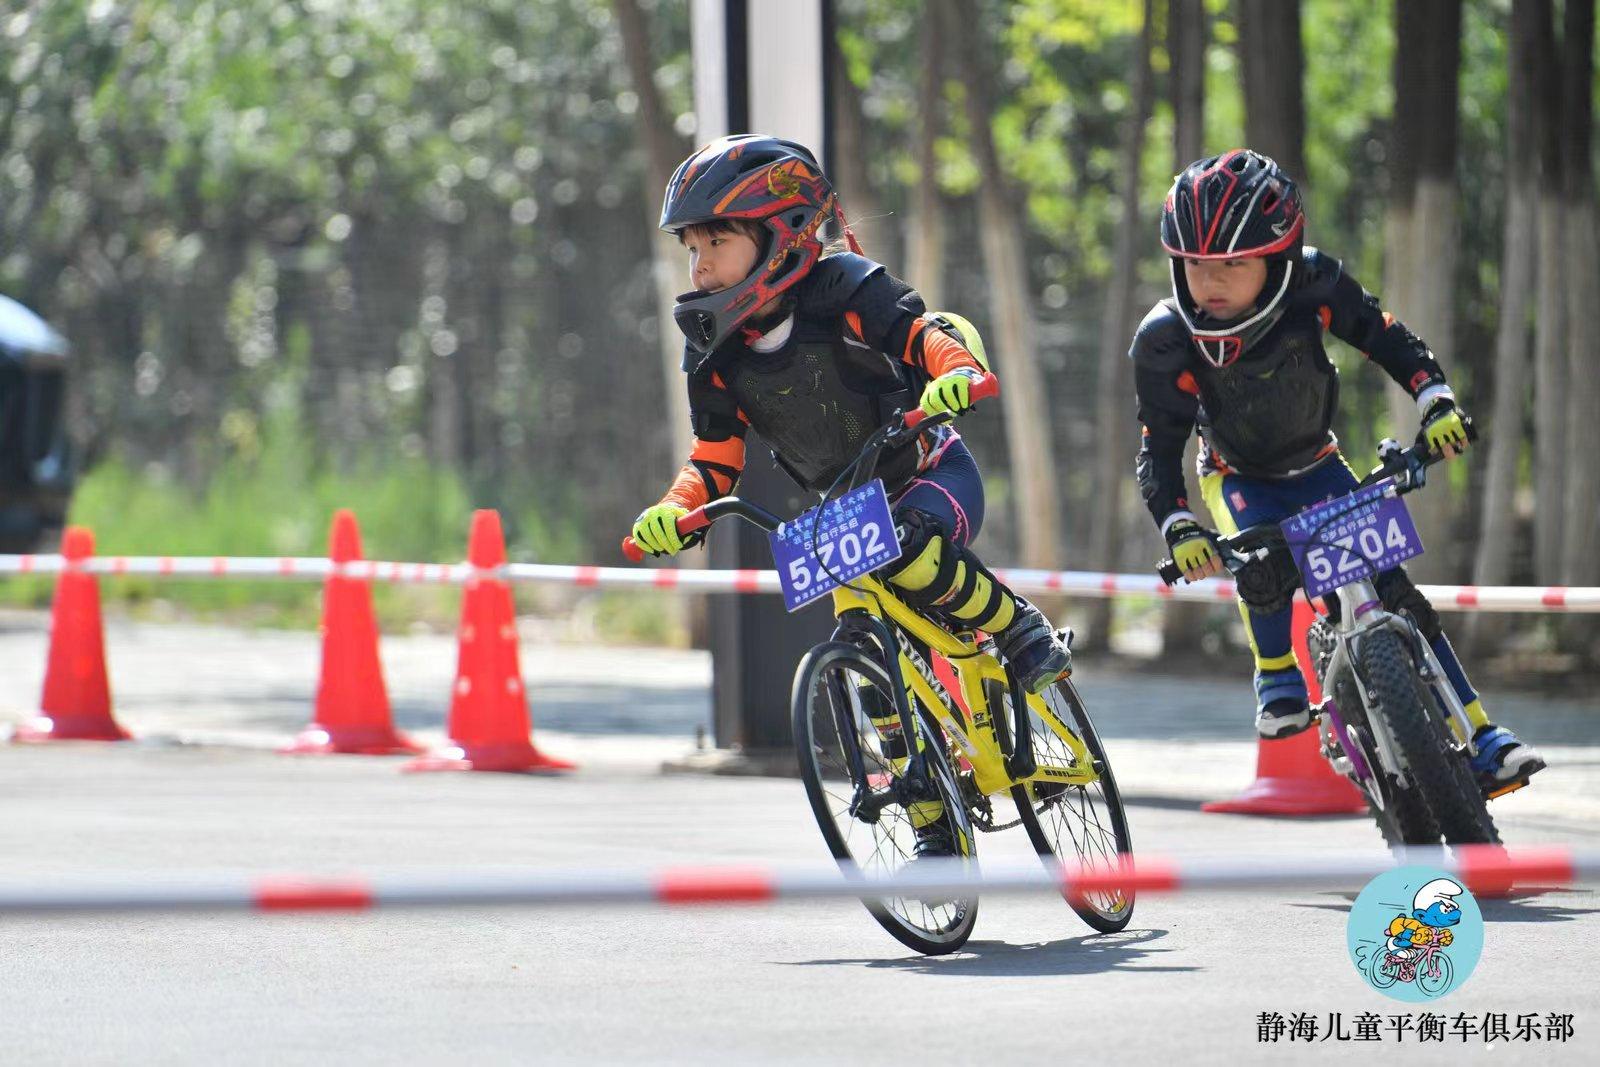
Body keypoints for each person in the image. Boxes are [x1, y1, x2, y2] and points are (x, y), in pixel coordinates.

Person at [630, 135, 1071, 854]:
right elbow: (714, 458)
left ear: (783, 235)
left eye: (717, 240)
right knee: (867, 670)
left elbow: (926, 337)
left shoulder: (846, 289)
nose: (699, 263)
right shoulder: (711, 345)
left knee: (916, 550)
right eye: (690, 246)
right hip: (843, 513)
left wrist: (955, 368)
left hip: (930, 473)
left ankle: (1019, 626)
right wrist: (676, 509)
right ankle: (936, 835)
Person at [1130, 149, 1543, 795]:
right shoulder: (1163, 339)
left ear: (1278, 257)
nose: (1210, 279)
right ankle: (1277, 675)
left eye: (1232, 263)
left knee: (1395, 590)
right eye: (1196, 263)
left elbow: (1385, 335)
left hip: (1319, 463)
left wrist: (1435, 400)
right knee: (1264, 568)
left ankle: (1484, 735)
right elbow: (1159, 447)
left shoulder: (1314, 285)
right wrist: (1179, 525)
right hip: (1236, 474)